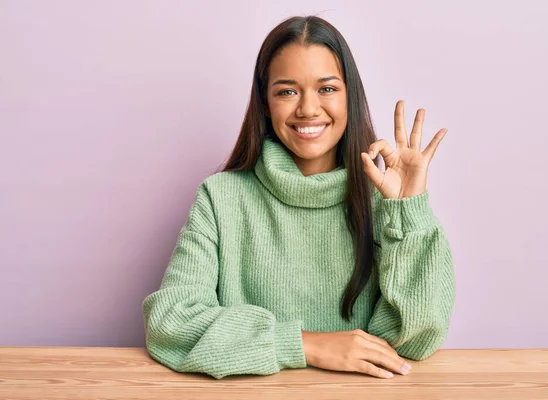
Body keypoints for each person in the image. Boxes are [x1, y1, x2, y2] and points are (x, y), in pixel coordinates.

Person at [142, 15, 455, 380]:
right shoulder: (220, 198)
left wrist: (407, 212)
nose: (307, 108)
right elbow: (170, 323)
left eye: (327, 89)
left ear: (350, 97)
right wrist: (306, 344)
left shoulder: (382, 199)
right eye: (287, 91)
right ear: (265, 102)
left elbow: (416, 339)